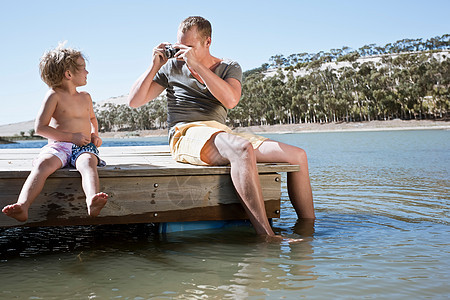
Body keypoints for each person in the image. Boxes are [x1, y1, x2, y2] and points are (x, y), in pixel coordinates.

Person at [128, 16, 315, 240]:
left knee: (298, 156)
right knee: (242, 149)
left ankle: (308, 229)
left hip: (220, 132)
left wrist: (197, 67)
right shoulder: (171, 67)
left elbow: (230, 100)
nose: (182, 52)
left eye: (189, 47)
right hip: (185, 131)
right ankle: (266, 235)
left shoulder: (229, 66)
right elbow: (134, 101)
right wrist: (154, 66)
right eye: (180, 46)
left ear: (208, 42)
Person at [2, 45, 108, 222]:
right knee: (43, 164)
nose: (87, 72)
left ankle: (91, 200)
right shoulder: (54, 96)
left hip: (83, 147)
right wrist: (71, 137)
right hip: (59, 146)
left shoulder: (86, 97)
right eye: (83, 68)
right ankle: (23, 205)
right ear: (69, 74)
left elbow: (92, 119)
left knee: (88, 163)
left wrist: (95, 135)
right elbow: (40, 128)